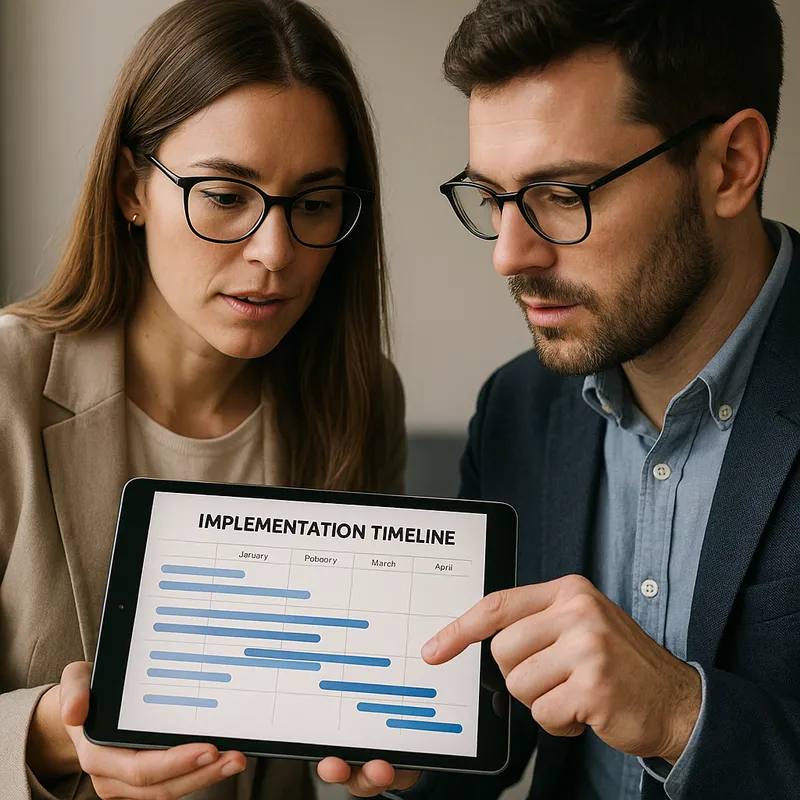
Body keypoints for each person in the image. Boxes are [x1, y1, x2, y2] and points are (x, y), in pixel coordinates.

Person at [317, 0, 800, 798]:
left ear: (732, 165)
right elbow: (495, 725)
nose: (510, 254)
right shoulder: (515, 408)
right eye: (492, 197)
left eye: (564, 193)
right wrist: (428, 746)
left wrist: (683, 716)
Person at [0, 0, 405, 798]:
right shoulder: (6, 383)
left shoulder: (360, 400)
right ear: (131, 189)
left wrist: (397, 744)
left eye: (315, 204)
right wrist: (51, 734)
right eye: (225, 195)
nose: (274, 252)